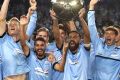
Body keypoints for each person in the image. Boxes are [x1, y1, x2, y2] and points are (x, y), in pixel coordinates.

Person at [0, 0, 37, 80]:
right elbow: (2, 19)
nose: (12, 25)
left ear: (19, 27)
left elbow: (29, 25)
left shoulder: (25, 43)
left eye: (15, 24)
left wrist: (32, 11)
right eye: (10, 24)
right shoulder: (3, 40)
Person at [87, 0, 120, 80]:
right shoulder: (98, 45)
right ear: (104, 35)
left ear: (116, 37)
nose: (108, 35)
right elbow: (91, 27)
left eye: (112, 33)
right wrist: (91, 7)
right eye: (107, 33)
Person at [63, 8, 90, 80]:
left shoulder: (84, 50)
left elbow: (87, 35)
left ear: (80, 39)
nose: (72, 39)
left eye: (75, 37)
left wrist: (81, 18)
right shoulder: (65, 50)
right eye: (70, 37)